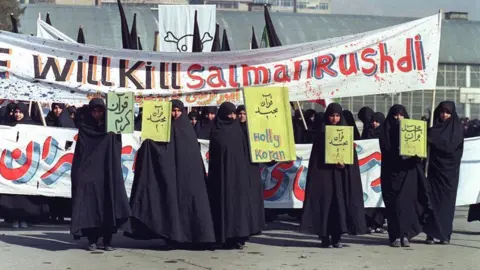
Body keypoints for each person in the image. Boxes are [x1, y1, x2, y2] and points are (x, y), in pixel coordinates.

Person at [126, 100, 215, 248]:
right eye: (173, 110)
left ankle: (192, 237)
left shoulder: (187, 131)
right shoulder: (163, 129)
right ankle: (171, 237)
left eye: (178, 110)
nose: (176, 114)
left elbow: (192, 155)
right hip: (171, 177)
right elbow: (162, 151)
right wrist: (149, 145)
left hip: (188, 179)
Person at [300, 103, 366, 248]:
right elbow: (316, 160)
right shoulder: (320, 135)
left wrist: (345, 164)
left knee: (339, 206)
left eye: (337, 116)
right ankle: (324, 237)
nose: (335, 119)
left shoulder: (346, 135)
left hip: (340, 177)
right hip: (324, 177)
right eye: (332, 115)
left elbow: (351, 158)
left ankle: (337, 237)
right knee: (325, 205)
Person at [70, 98, 131, 251]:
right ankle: (92, 240)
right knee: (90, 207)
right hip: (90, 173)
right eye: (94, 111)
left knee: (108, 204)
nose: (97, 114)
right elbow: (81, 153)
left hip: (107, 171)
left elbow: (117, 148)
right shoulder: (85, 128)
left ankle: (107, 240)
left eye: (100, 111)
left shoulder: (111, 129)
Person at [207, 102, 264, 249]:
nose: (232, 117)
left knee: (238, 206)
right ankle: (224, 237)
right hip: (221, 177)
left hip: (238, 177)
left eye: (234, 113)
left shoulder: (239, 130)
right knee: (222, 204)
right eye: (229, 114)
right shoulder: (216, 130)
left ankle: (239, 235)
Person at [379, 104, 430, 248]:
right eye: (395, 115)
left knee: (407, 205)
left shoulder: (412, 131)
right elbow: (386, 151)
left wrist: (416, 154)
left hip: (408, 173)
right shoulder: (386, 132)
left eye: (401, 115)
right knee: (393, 205)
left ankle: (405, 235)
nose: (398, 118)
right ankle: (395, 235)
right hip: (391, 174)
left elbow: (420, 151)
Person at [0, 103, 50, 228]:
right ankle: (14, 219)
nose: (17, 114)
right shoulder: (8, 126)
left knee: (26, 196)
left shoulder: (32, 126)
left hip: (28, 165)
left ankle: (26, 219)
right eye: (16, 112)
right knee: (13, 196)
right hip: (11, 165)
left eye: (20, 112)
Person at [424, 101, 464, 244]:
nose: (444, 115)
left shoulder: (457, 128)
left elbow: (451, 147)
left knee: (446, 205)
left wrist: (433, 138)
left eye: (447, 112)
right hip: (434, 172)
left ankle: (444, 234)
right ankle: (430, 233)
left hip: (449, 174)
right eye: (442, 112)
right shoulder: (433, 127)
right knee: (431, 202)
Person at [44, 103, 76, 224]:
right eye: (54, 108)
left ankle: (62, 214)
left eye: (59, 108)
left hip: (64, 161)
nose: (57, 111)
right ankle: (52, 213)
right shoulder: (47, 121)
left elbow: (71, 139)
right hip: (50, 160)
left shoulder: (68, 123)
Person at [362, 112, 386, 233]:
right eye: (373, 121)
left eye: (377, 121)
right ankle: (369, 223)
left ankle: (379, 223)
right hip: (368, 171)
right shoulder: (367, 133)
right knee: (369, 194)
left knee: (379, 195)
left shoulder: (385, 134)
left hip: (381, 170)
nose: (374, 124)